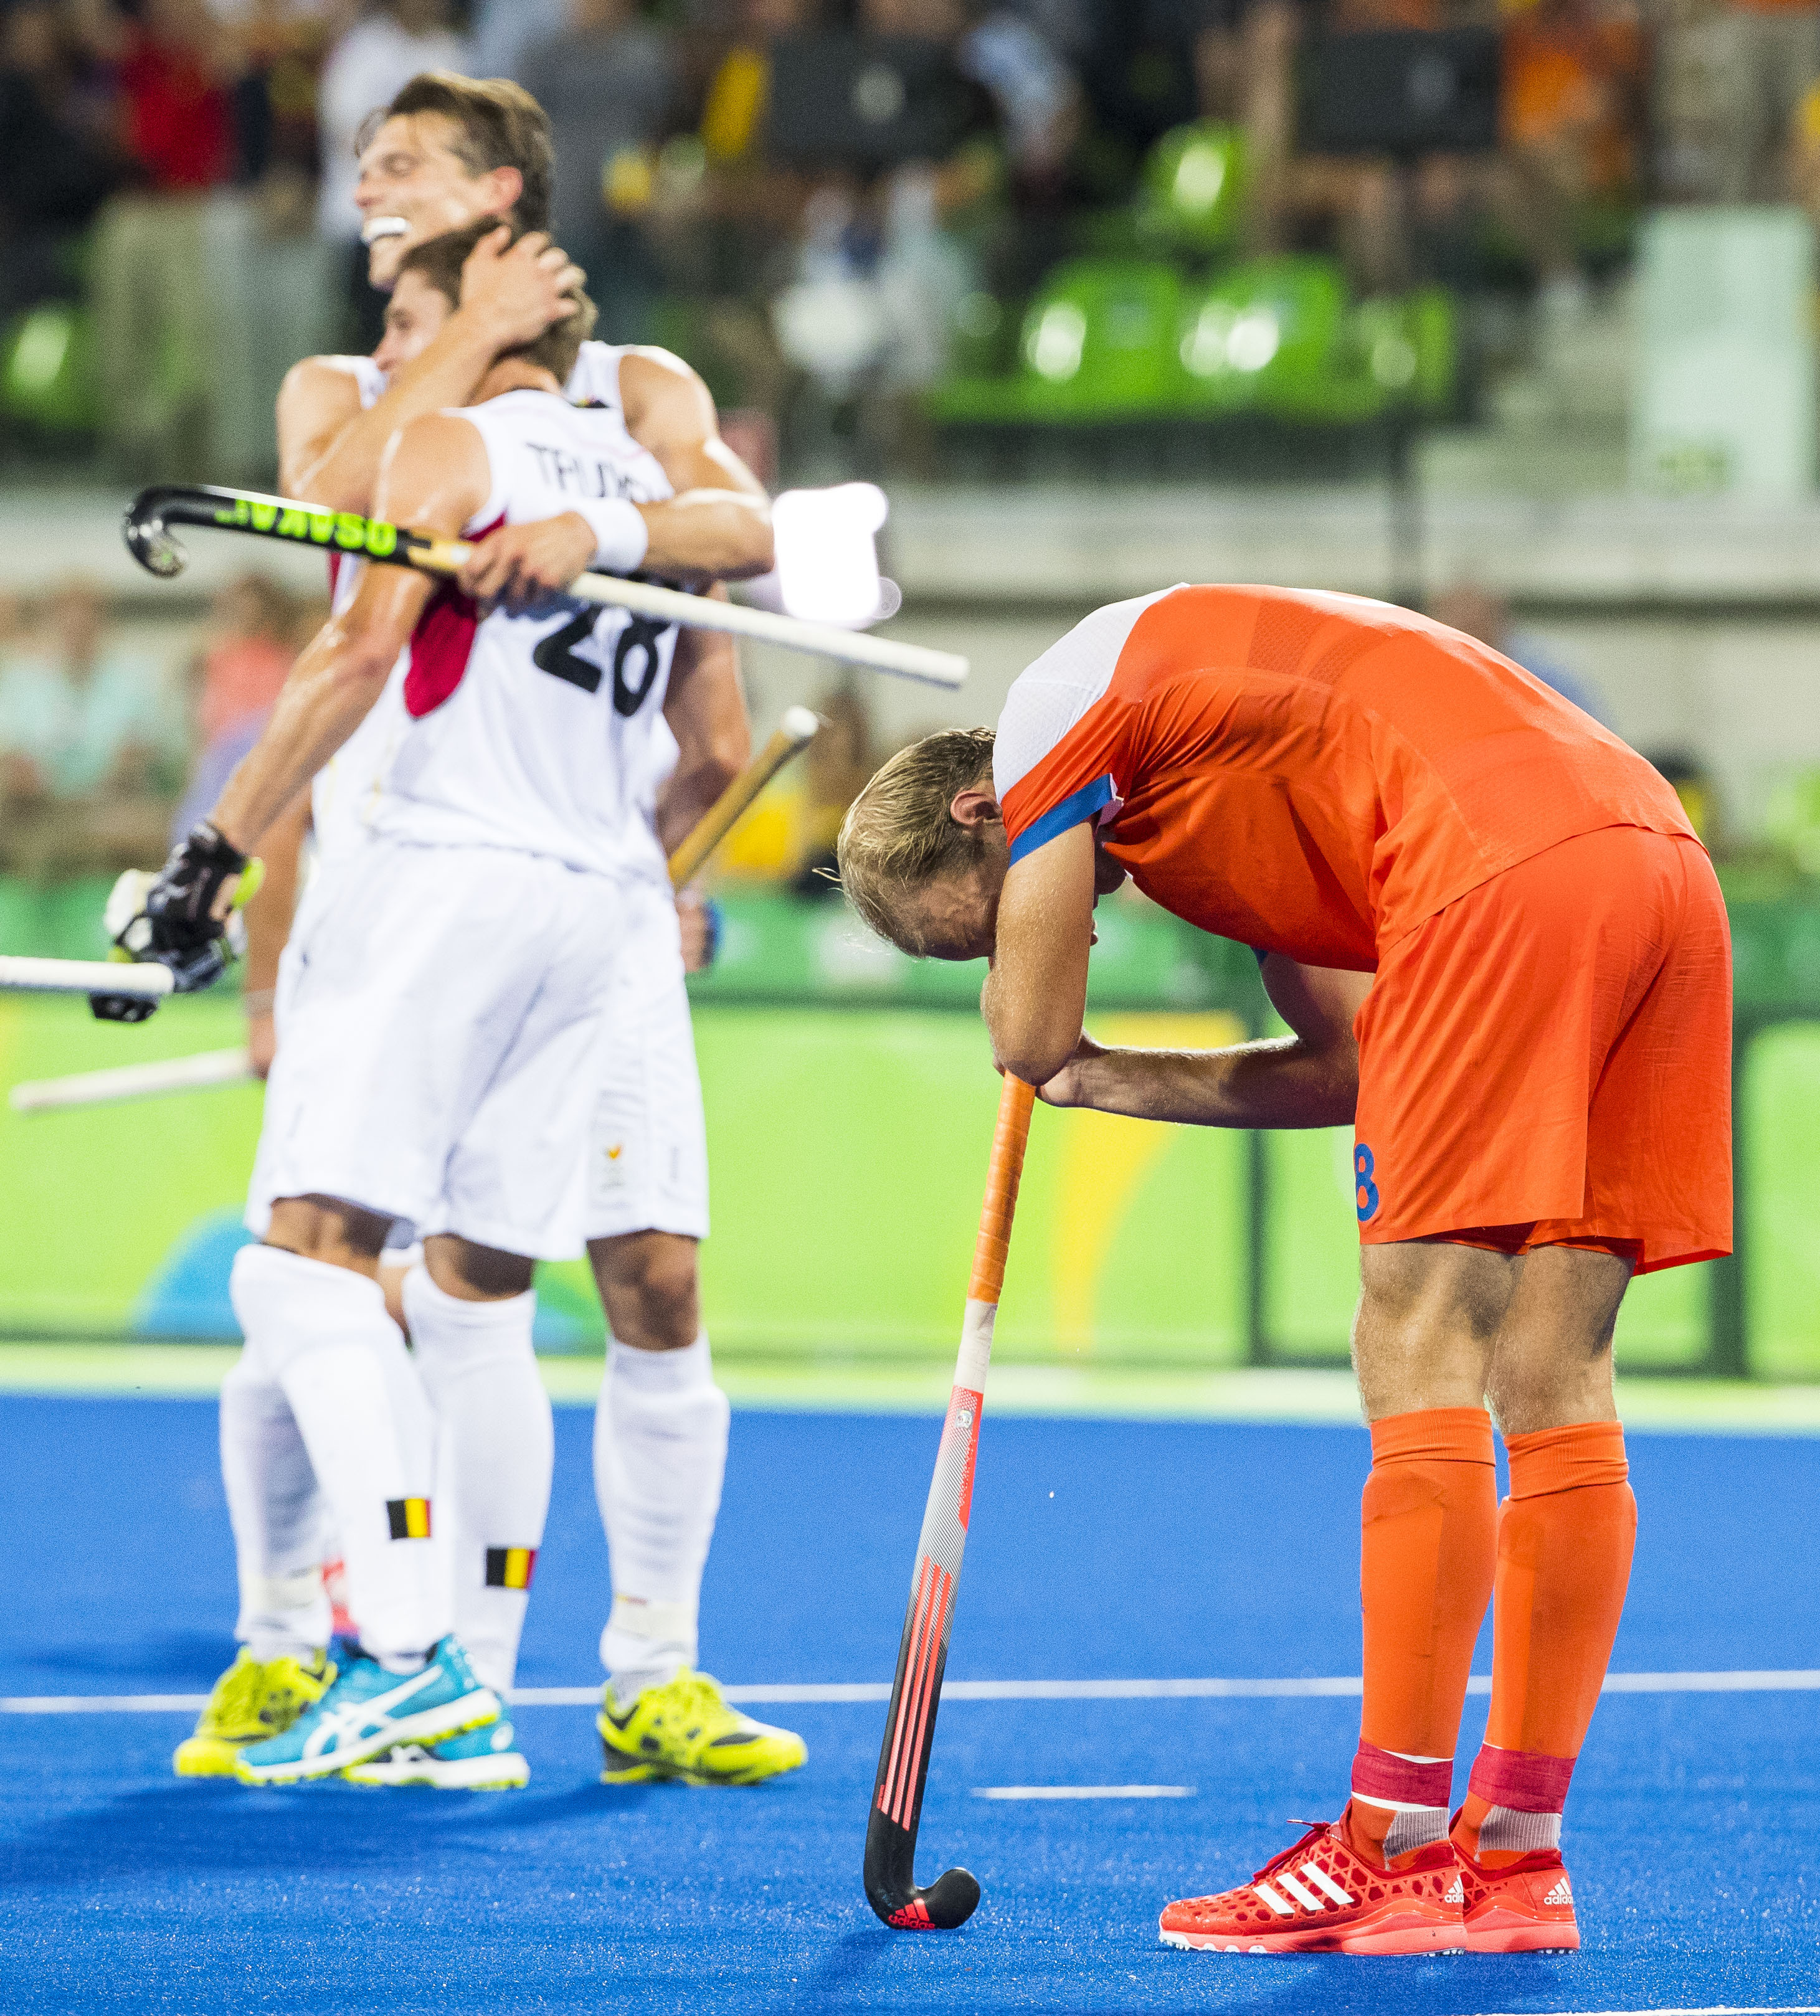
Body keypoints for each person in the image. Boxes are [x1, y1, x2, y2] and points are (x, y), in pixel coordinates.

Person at [833, 584, 1732, 1955]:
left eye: (993, 918)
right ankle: (1514, 1858)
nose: (1052, 934)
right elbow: (1361, 1068)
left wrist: (1043, 1036)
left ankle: (1391, 1846)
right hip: (1648, 858)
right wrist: (1116, 1078)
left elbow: (1027, 1031)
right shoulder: (1227, 791)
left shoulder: (1048, 724)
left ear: (980, 812)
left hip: (1498, 863)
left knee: (1416, 1334)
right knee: (1555, 1367)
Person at [174, 72, 803, 1795]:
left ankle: (456, 1662)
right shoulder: (373, 392)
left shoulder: (601, 405)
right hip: (435, 873)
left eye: (402, 175)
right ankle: (309, 1645)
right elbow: (337, 495)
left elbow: (729, 617)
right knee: (365, 1277)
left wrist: (212, 851)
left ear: (498, 208)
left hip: (486, 876)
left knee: (402, 1274)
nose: (365, 195)